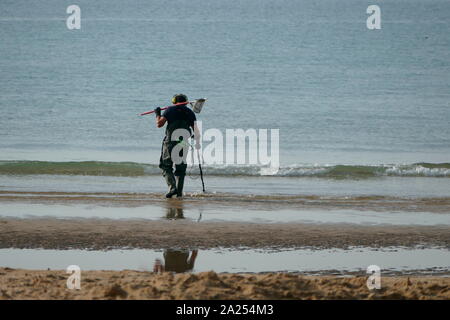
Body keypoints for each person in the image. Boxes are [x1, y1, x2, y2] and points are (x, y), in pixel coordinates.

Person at [154, 94, 200, 198]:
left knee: (165, 166)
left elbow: (159, 124)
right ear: (186, 102)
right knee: (181, 168)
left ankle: (172, 187)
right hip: (183, 143)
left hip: (170, 142)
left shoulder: (170, 110)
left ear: (174, 101)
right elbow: (197, 133)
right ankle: (179, 193)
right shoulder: (190, 112)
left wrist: (157, 114)